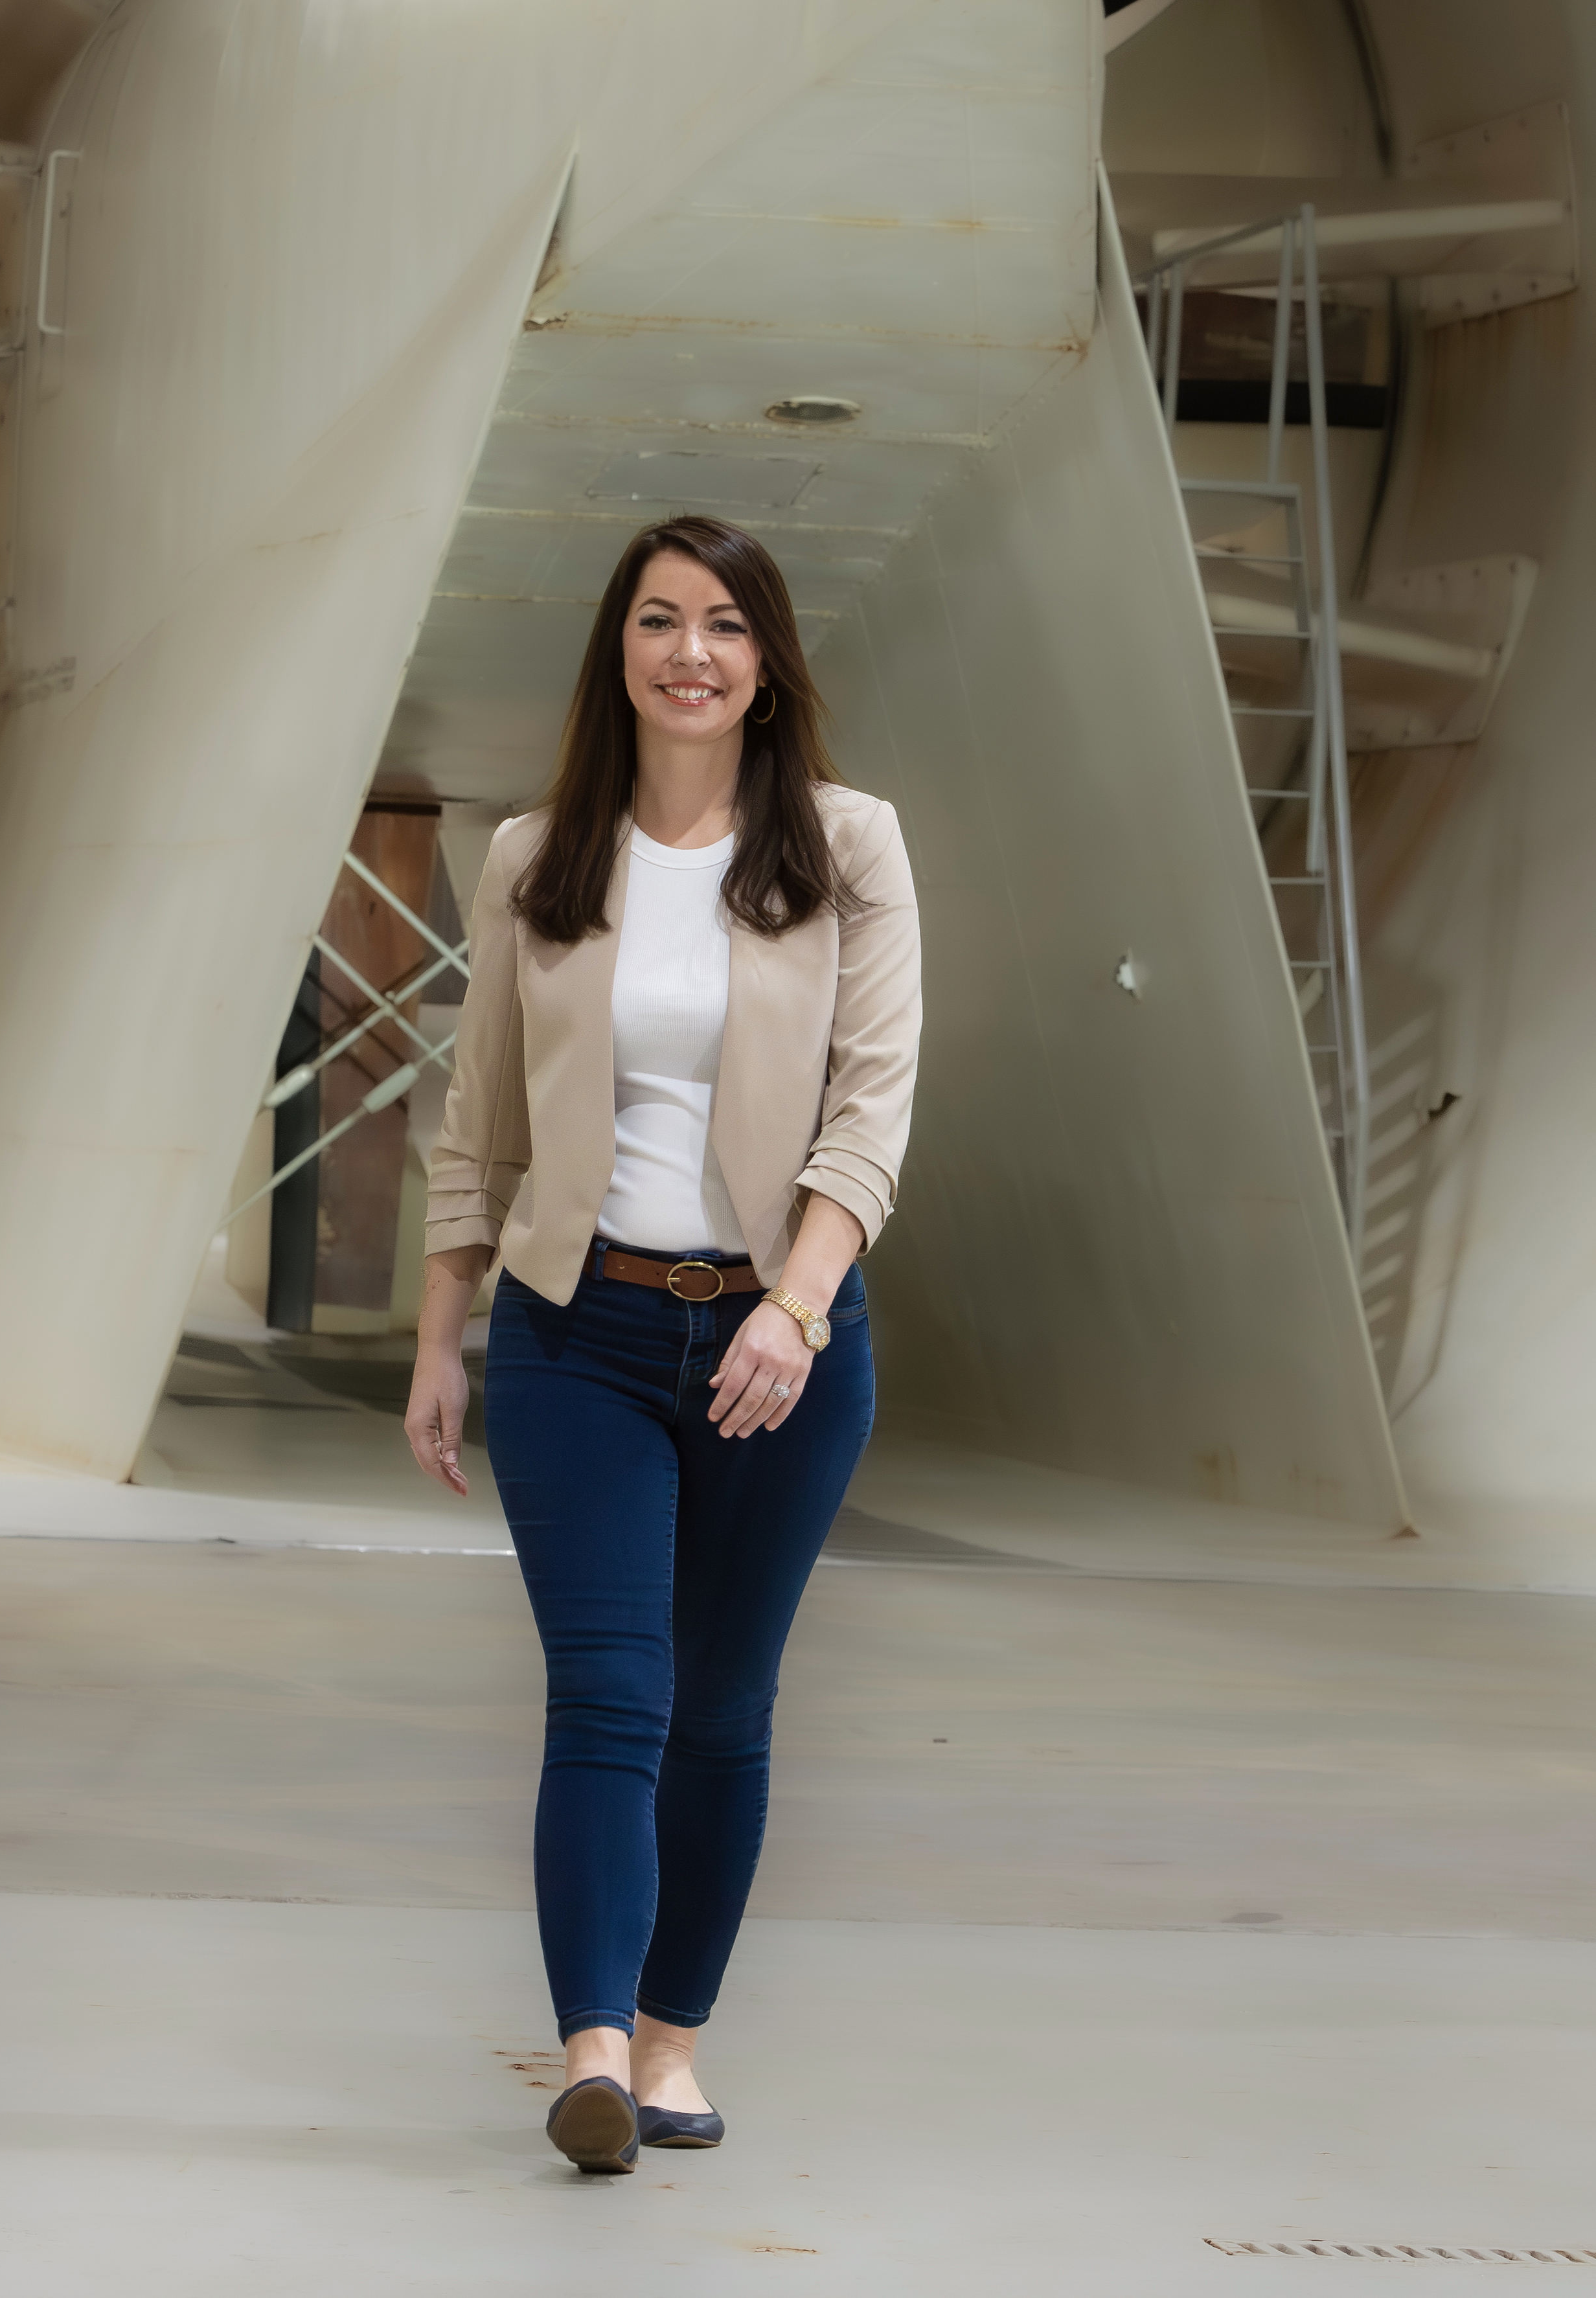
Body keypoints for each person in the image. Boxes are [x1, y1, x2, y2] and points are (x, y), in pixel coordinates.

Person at [404, 513, 920, 2175]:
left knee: (722, 1705)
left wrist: (797, 1300)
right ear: (616, 651)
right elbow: (475, 1116)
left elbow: (872, 1110)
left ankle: (679, 2033)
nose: (689, 652)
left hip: (787, 1337)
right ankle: (595, 2052)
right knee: (610, 1693)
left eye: (724, 625)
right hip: (580, 1329)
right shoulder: (536, 857)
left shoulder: (850, 847)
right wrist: (441, 1338)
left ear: (768, 665)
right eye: (658, 621)